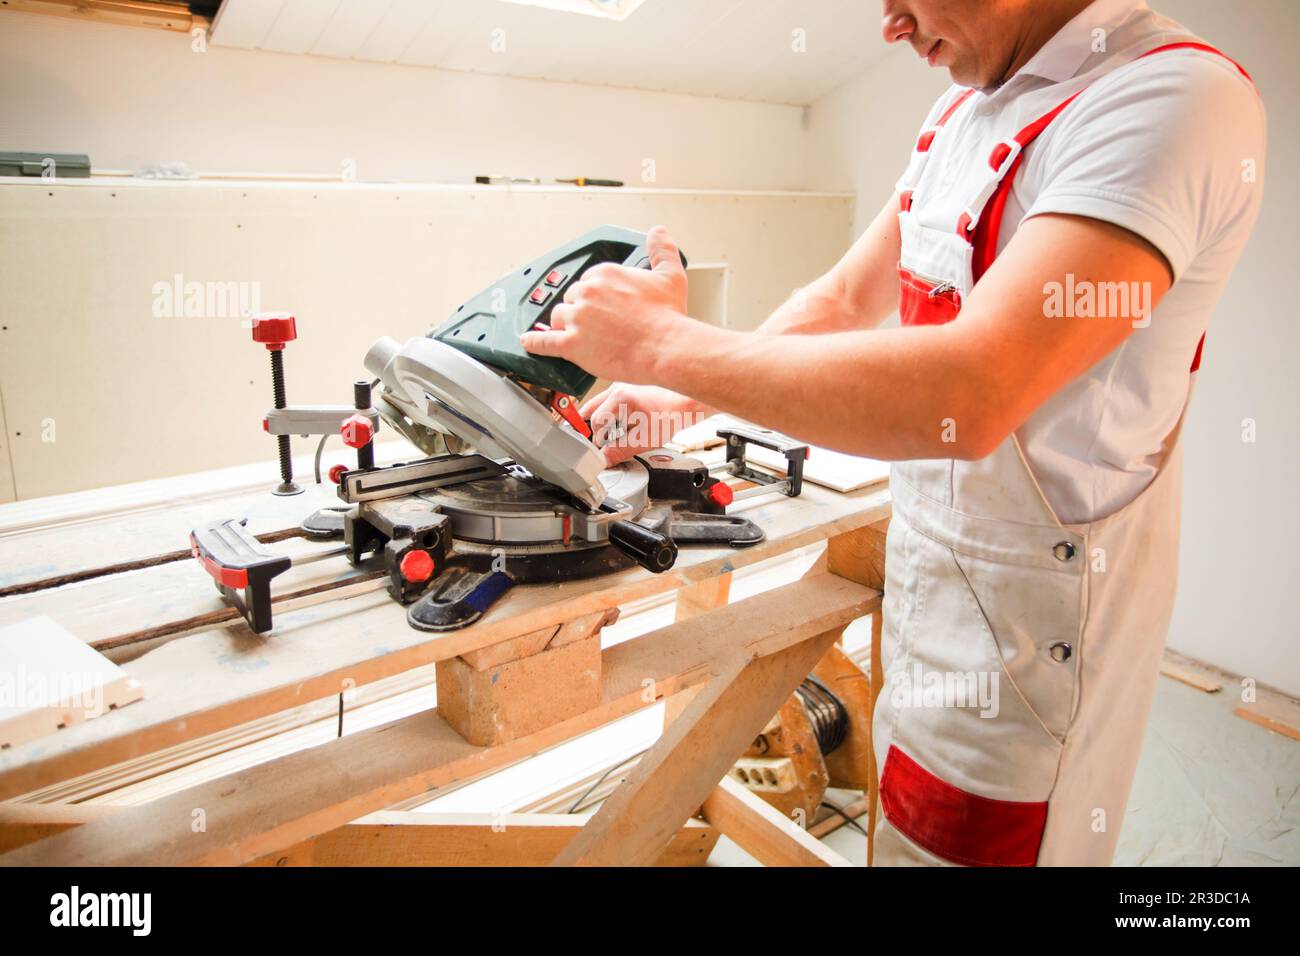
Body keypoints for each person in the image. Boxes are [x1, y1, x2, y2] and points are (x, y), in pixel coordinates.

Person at [520, 0, 1265, 866]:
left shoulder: (1173, 98)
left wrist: (665, 344)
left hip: (1032, 642)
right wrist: (679, 399)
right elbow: (843, 302)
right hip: (931, 585)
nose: (889, 26)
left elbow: (975, 390)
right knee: (902, 834)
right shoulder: (962, 105)